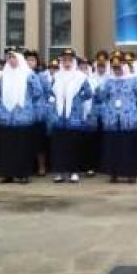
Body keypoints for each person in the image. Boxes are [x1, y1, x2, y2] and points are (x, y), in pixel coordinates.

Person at [0, 50, 43, 183]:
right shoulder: (4, 75)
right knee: (8, 147)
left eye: (14, 57)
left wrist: (28, 104)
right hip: (7, 117)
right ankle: (8, 174)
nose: (11, 60)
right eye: (9, 58)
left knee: (22, 146)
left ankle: (23, 174)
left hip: (23, 116)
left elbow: (38, 92)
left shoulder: (29, 75)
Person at [48, 50, 94, 183]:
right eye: (64, 60)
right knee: (59, 146)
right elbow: (50, 93)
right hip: (59, 116)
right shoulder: (56, 76)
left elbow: (89, 93)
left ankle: (74, 171)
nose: (67, 63)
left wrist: (77, 100)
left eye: (69, 60)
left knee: (73, 145)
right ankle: (60, 172)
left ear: (73, 61)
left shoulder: (80, 77)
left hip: (74, 117)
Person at [98, 51, 137, 183]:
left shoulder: (133, 80)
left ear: (124, 65)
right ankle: (114, 173)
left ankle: (131, 173)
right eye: (114, 67)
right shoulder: (109, 81)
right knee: (113, 147)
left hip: (129, 118)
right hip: (112, 118)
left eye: (119, 67)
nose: (117, 70)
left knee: (128, 146)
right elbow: (103, 97)